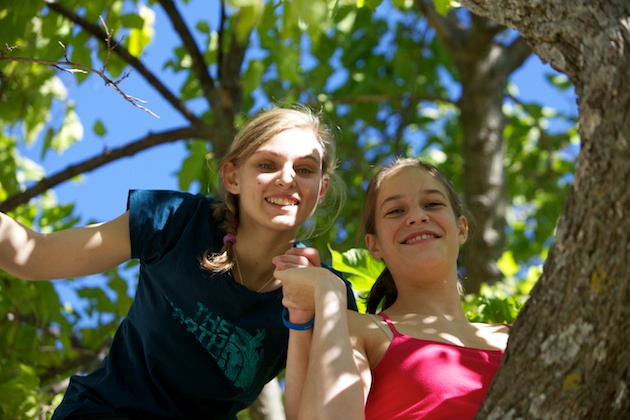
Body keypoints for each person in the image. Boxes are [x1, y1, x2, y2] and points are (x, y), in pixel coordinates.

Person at [0, 105, 357, 419]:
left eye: (305, 169)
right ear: (232, 176)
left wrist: (308, 315)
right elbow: (33, 255)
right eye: (267, 164)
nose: (288, 178)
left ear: (321, 189)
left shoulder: (327, 294)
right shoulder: (175, 221)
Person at [274, 157, 510, 420]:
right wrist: (328, 292)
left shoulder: (520, 337)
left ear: (461, 228)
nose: (418, 217)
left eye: (432, 204)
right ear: (374, 245)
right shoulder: (358, 330)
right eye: (396, 211)